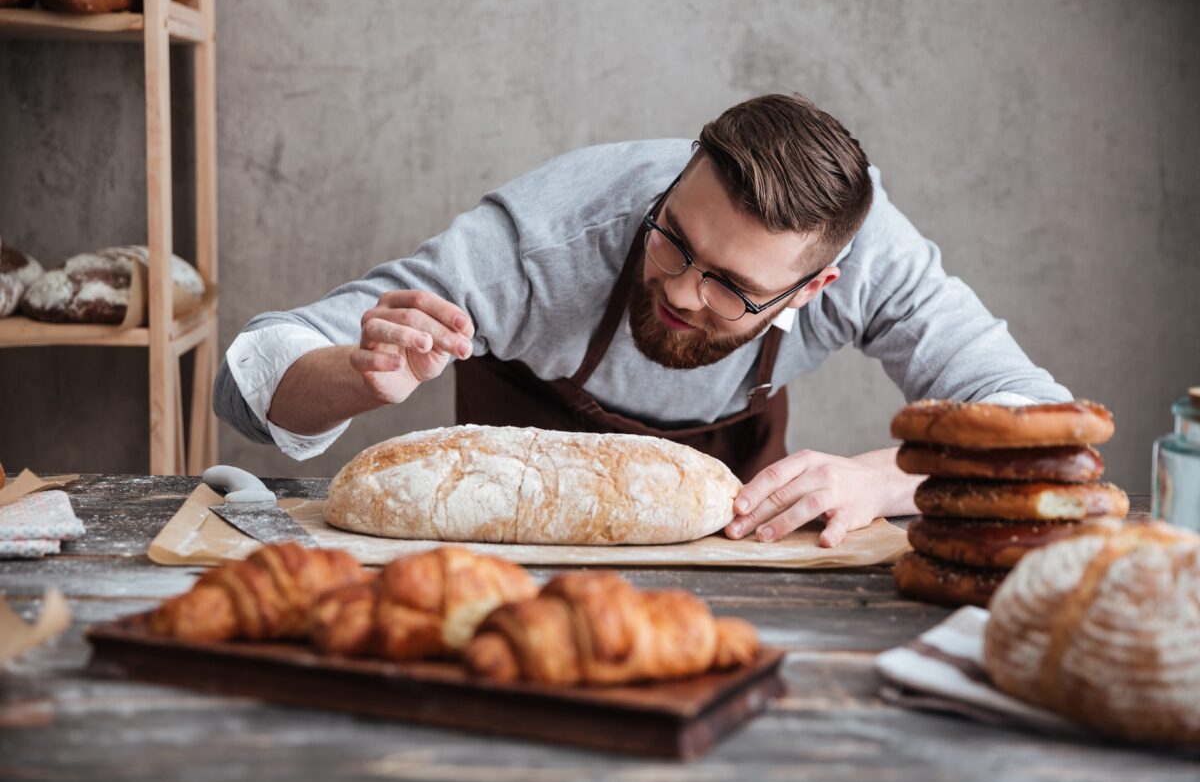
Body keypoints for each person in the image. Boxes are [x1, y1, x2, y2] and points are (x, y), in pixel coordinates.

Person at [214, 93, 1071, 548]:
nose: (685, 292)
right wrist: (358, 378)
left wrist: (884, 482)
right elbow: (247, 380)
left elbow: (1042, 429)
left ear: (817, 289)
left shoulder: (877, 255)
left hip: (745, 558)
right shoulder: (544, 241)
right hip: (512, 559)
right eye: (675, 240)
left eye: (733, 286)